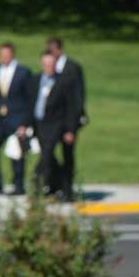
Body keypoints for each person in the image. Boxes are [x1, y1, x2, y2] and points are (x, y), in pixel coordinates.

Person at [0, 42, 34, 195]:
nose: (4, 57)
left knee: (16, 152)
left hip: (17, 118)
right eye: (1, 54)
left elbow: (30, 99)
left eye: (7, 54)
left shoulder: (23, 72)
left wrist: (25, 122)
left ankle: (18, 185)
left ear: (12, 54)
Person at [32, 50, 78, 198]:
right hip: (39, 125)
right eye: (45, 64)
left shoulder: (64, 81)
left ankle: (36, 184)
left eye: (51, 64)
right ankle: (61, 187)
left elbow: (71, 107)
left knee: (46, 156)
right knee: (50, 158)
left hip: (56, 125)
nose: (48, 67)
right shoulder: (36, 79)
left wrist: (70, 129)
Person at [45, 37, 85, 201]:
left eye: (52, 51)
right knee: (47, 154)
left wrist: (72, 126)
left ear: (59, 50)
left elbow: (77, 99)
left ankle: (67, 190)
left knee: (68, 155)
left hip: (68, 121)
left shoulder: (72, 68)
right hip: (51, 122)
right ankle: (55, 185)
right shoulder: (48, 69)